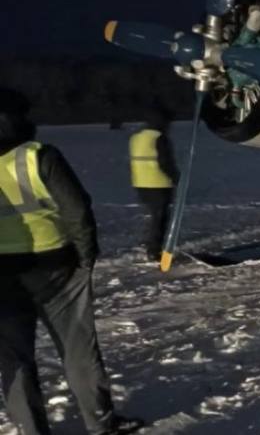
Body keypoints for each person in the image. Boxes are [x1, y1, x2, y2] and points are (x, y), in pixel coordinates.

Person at [0, 87, 142, 435]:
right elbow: (77, 209)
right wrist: (85, 255)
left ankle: (31, 429)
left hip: (3, 276)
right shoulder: (38, 156)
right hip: (57, 267)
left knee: (14, 358)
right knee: (78, 348)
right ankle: (100, 422)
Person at [129, 107, 179, 262]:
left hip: (141, 183)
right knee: (160, 219)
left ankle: (151, 245)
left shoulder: (136, 138)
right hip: (158, 184)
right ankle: (154, 250)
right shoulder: (159, 138)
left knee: (154, 217)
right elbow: (164, 162)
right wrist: (176, 178)